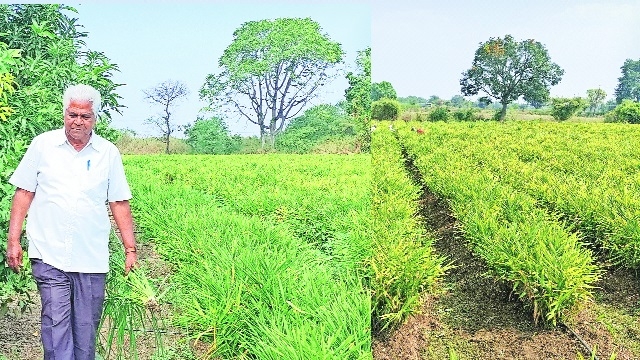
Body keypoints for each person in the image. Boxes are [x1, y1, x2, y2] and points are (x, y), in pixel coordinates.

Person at [5, 84, 137, 360]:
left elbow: (119, 203)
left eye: (85, 116)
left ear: (95, 119)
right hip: (48, 254)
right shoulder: (43, 145)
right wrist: (13, 240)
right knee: (56, 327)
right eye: (73, 114)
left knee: (86, 334)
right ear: (65, 114)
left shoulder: (108, 153)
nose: (78, 121)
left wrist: (130, 250)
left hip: (91, 257)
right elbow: (24, 192)